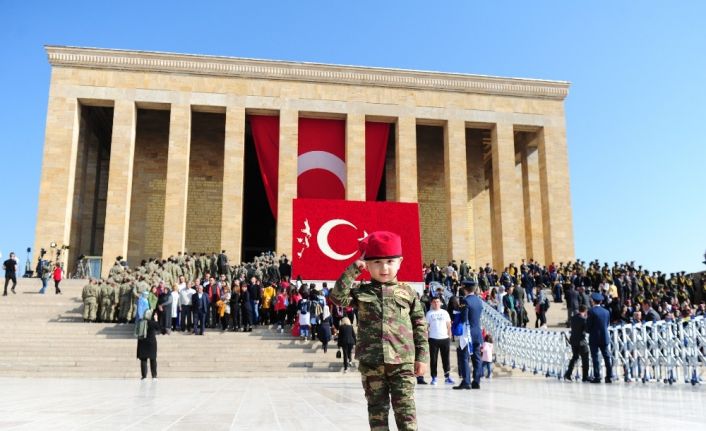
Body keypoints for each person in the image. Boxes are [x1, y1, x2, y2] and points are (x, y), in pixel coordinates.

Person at [330, 231, 428, 431]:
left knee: (406, 412)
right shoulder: (361, 292)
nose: (384, 268)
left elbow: (419, 324)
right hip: (372, 362)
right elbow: (337, 298)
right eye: (377, 262)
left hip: (402, 361)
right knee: (377, 414)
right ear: (367, 264)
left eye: (390, 261)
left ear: (400, 262)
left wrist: (422, 357)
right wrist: (353, 270)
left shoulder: (408, 292)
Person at [454, 281, 483, 390]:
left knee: (464, 357)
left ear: (465, 288)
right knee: (477, 358)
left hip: (468, 333)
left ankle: (466, 381)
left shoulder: (465, 301)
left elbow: (464, 318)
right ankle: (476, 381)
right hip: (477, 332)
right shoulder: (479, 301)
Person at [425, 296, 454, 385]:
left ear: (440, 303)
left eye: (438, 302)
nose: (436, 303)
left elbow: (449, 325)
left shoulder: (445, 313)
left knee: (446, 359)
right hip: (433, 339)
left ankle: (447, 377)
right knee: (433, 359)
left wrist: (449, 336)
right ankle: (434, 377)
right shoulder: (429, 313)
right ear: (431, 303)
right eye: (434, 302)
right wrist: (427, 338)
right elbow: (426, 327)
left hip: (444, 338)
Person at [586, 293, 613, 383]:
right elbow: (607, 324)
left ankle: (597, 376)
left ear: (593, 301)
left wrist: (588, 330)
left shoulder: (591, 311)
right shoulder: (606, 311)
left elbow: (588, 326)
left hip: (594, 337)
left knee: (595, 357)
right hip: (604, 336)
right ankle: (609, 376)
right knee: (607, 357)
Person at [564, 304, 590, 382]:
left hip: (573, 341)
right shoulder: (584, 319)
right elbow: (587, 330)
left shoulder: (573, 318)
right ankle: (585, 376)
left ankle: (568, 374)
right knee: (585, 359)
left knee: (574, 357)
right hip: (581, 342)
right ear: (585, 311)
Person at [136, 309, 160, 380]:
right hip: (151, 343)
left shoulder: (140, 322)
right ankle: (154, 376)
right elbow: (158, 328)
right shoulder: (152, 323)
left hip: (142, 342)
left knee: (143, 359)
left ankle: (144, 376)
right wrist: (156, 320)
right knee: (153, 359)